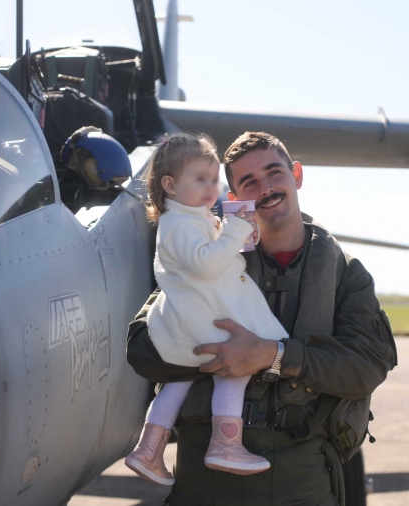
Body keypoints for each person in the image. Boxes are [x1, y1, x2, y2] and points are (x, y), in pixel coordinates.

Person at [127, 131, 398, 505]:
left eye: (274, 173)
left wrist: (272, 355)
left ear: (296, 175)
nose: (266, 187)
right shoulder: (206, 261)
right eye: (249, 182)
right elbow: (141, 347)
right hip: (204, 485)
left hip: (299, 479)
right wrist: (214, 353)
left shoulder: (343, 273)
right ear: (235, 198)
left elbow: (366, 367)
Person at [124, 133, 290, 485]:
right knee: (236, 365)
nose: (210, 187)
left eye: (213, 179)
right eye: (200, 179)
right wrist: (233, 234)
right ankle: (226, 443)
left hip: (186, 325)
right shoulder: (180, 224)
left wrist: (238, 237)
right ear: (170, 184)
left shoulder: (187, 217)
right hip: (202, 322)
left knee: (178, 381)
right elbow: (206, 265)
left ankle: (149, 449)